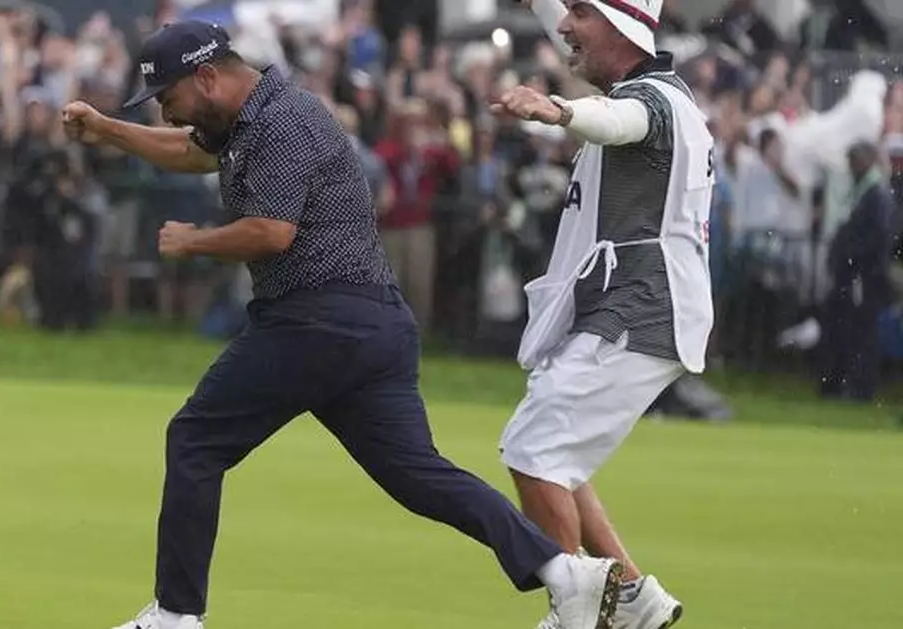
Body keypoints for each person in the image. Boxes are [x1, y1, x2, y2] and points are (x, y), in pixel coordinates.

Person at [61, 20, 623, 629]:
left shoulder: (283, 120)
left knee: (195, 440)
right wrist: (109, 129)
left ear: (207, 77)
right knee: (418, 476)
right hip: (368, 326)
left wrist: (195, 242)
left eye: (169, 99)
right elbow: (190, 152)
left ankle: (175, 616)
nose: (168, 115)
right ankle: (566, 573)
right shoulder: (249, 118)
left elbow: (273, 233)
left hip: (316, 320)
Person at [491, 1, 716, 628]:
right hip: (634, 306)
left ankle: (576, 610)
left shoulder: (652, 102)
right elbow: (565, 27)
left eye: (581, 15)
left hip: (640, 307)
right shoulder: (660, 91)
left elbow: (619, 122)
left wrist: (558, 110)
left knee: (535, 453)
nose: (563, 27)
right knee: (557, 454)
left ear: (624, 28)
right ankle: (634, 597)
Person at [818, 141, 898, 401]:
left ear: (868, 160)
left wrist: (855, 262)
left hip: (864, 276)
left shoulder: (876, 194)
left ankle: (861, 387)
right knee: (849, 327)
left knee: (863, 331)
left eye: (855, 160)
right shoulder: (864, 191)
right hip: (854, 274)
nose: (851, 166)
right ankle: (842, 383)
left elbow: (878, 237)